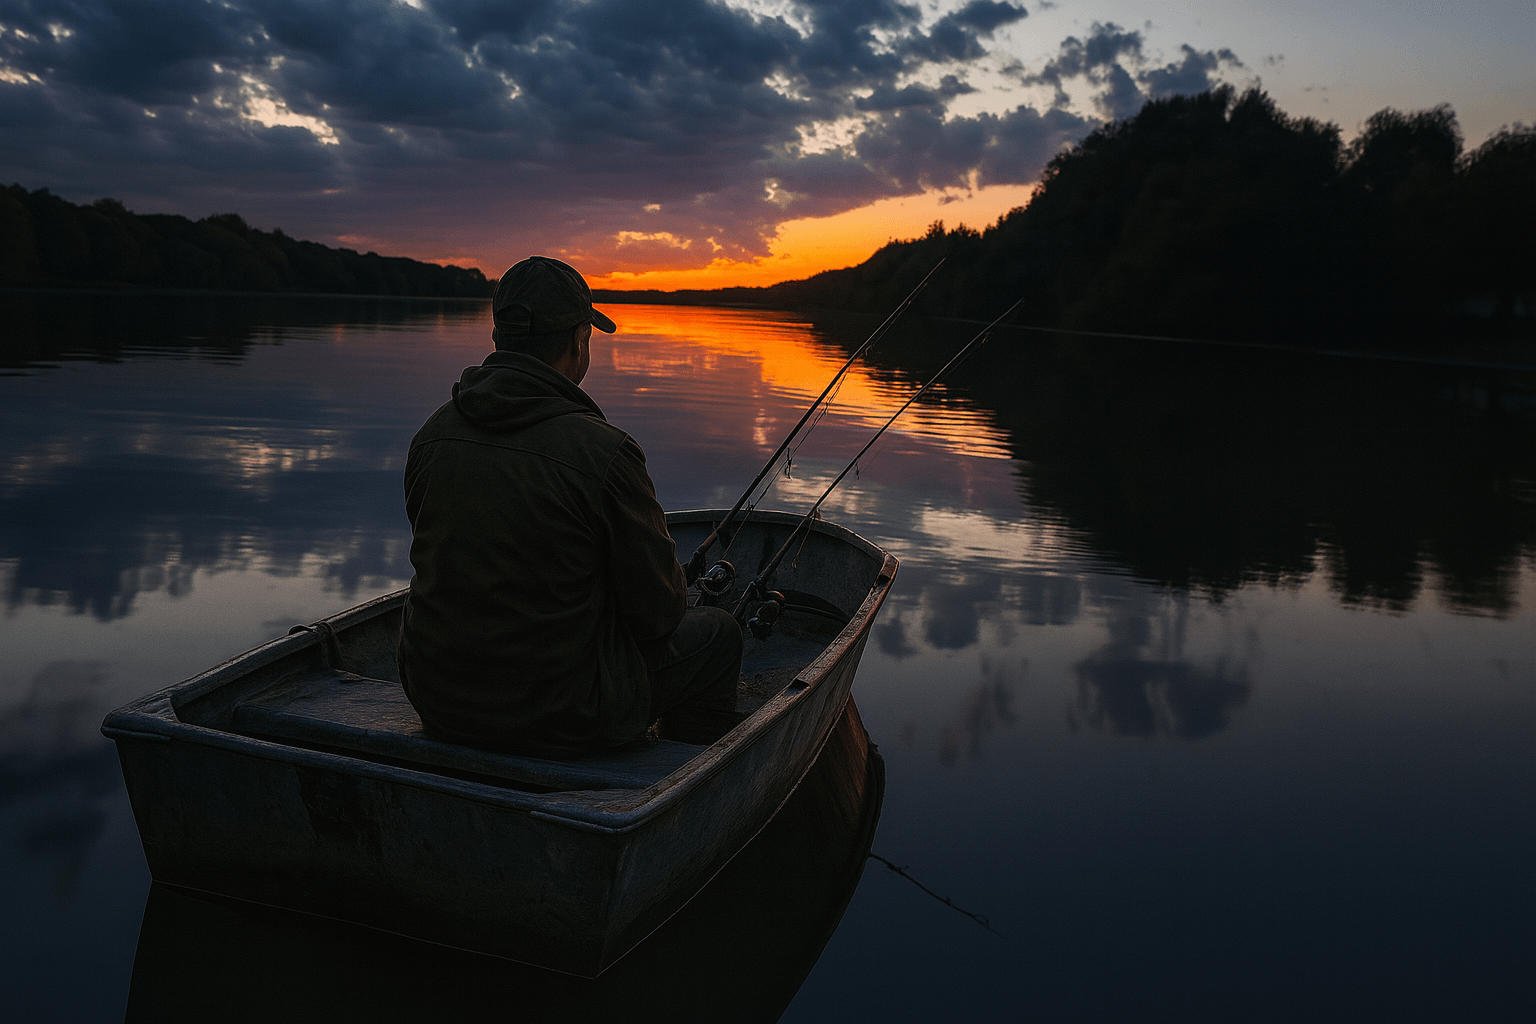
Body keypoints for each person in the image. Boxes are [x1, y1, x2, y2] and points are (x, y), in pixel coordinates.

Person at [396, 256, 743, 754]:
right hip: (560, 712)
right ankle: (686, 774)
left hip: (434, 695)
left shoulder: (432, 435)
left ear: (498, 337)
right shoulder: (606, 453)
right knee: (719, 634)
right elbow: (660, 614)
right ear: (580, 341)